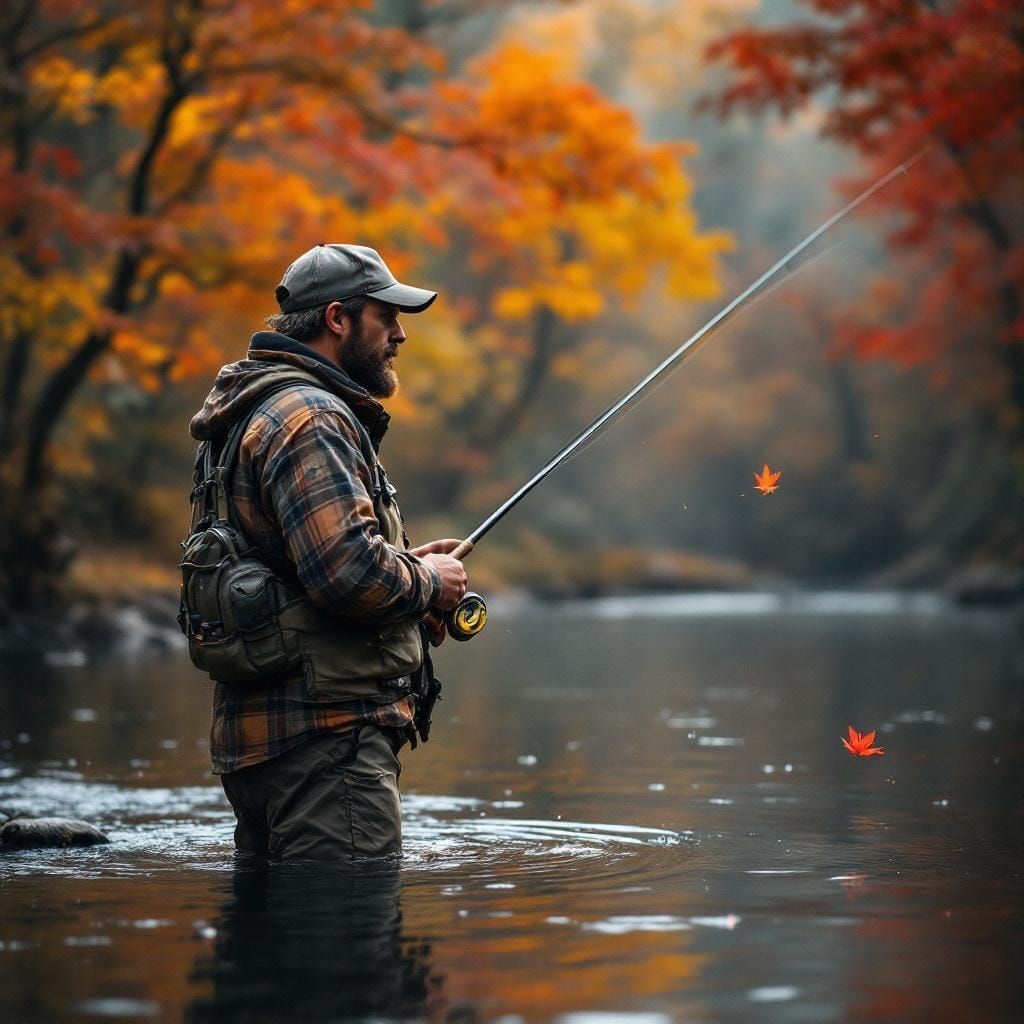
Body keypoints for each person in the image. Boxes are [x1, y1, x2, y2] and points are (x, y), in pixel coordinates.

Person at [188, 243, 468, 861]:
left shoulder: (254, 407)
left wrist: (411, 567)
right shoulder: (310, 416)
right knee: (345, 948)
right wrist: (430, 584)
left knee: (275, 949)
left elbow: (301, 565)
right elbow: (347, 575)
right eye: (385, 317)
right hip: (325, 744)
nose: (400, 334)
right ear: (338, 319)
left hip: (264, 746)